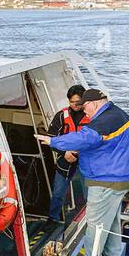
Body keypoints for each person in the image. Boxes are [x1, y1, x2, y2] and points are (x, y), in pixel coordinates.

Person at [35, 88, 129, 256]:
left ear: (95, 103)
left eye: (85, 107)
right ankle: (113, 255)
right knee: (112, 216)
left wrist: (53, 142)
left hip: (107, 179)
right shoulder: (118, 114)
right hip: (123, 176)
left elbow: (84, 138)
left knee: (95, 220)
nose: (84, 111)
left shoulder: (103, 122)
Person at [45, 85, 90, 222]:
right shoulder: (61, 116)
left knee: (89, 193)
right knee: (58, 192)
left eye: (78, 102)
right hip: (65, 160)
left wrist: (78, 153)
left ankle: (91, 220)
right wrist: (64, 152)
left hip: (86, 161)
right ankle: (52, 220)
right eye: (72, 102)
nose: (75, 105)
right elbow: (50, 139)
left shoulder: (92, 116)